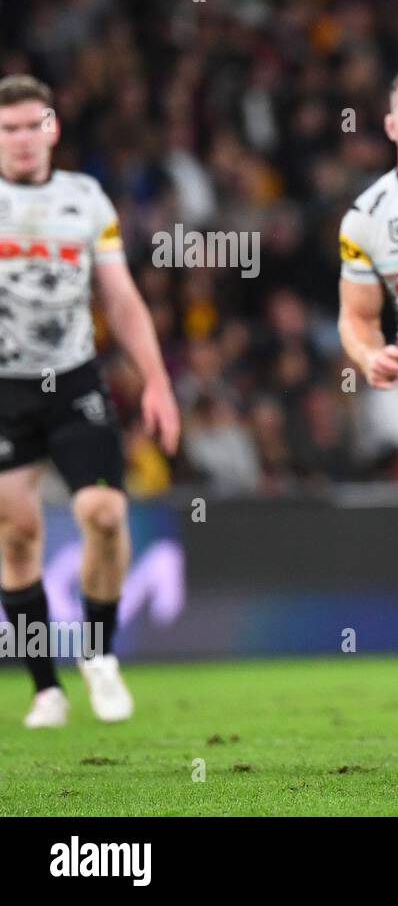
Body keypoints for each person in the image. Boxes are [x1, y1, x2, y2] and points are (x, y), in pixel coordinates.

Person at [0, 74, 181, 728]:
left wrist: (156, 379)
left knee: (104, 514)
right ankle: (46, 688)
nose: (21, 139)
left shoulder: (84, 199)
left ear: (50, 128)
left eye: (31, 125)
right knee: (17, 532)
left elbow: (122, 297)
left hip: (74, 380)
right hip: (4, 389)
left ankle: (99, 655)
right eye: (8, 127)